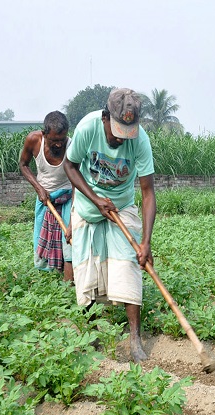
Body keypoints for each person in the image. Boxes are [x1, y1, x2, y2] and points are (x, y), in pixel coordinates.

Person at [64, 88, 156, 363]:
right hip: (88, 200)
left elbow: (148, 192)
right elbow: (70, 166)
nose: (119, 139)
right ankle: (89, 332)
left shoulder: (140, 141)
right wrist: (94, 198)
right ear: (105, 117)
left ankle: (134, 339)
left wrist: (146, 242)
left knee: (129, 264)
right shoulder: (87, 127)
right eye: (116, 130)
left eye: (125, 132)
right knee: (86, 267)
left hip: (123, 203)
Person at [19, 111, 73, 281]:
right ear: (44, 134)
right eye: (53, 140)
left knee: (69, 239)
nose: (58, 145)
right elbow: (23, 164)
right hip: (45, 197)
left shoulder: (72, 146)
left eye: (61, 140)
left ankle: (68, 282)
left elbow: (79, 177)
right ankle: (48, 282)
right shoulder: (33, 140)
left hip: (68, 195)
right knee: (44, 240)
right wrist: (39, 188)